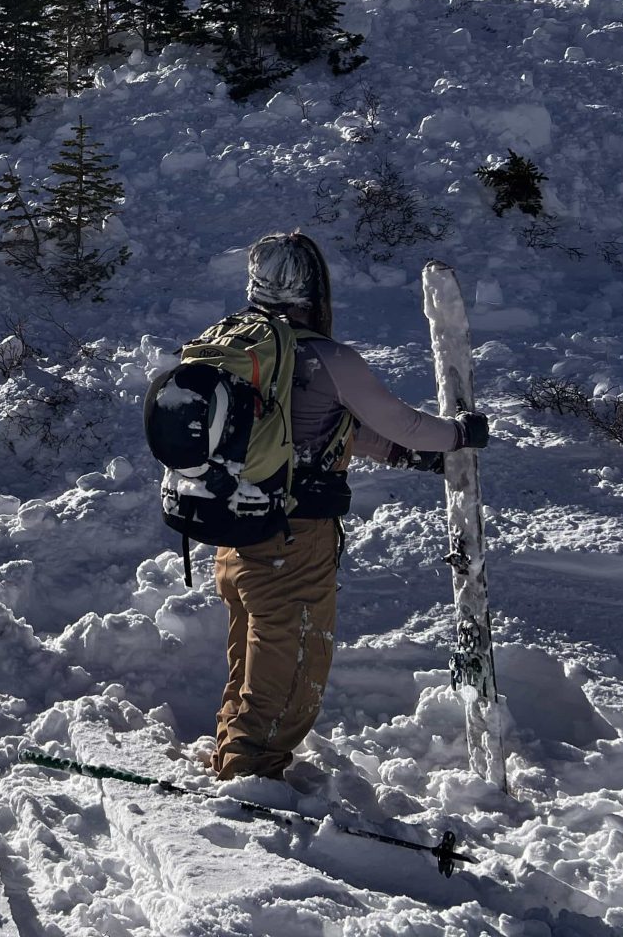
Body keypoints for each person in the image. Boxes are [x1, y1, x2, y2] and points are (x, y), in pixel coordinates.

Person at [206, 231, 488, 781]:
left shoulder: (238, 348)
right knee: (290, 663)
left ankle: (232, 754)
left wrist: (405, 458)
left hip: (234, 527)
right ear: (314, 289)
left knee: (251, 651)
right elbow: (400, 421)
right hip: (294, 535)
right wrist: (458, 435)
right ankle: (249, 781)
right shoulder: (326, 358)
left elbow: (321, 431)